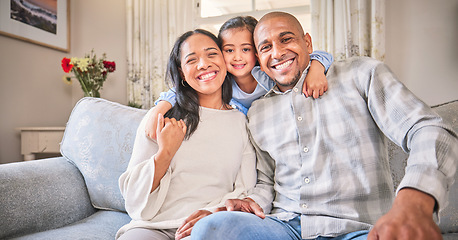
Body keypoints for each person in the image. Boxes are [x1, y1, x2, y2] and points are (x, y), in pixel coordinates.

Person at [190, 12, 458, 240]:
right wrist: (249, 204)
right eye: (265, 47)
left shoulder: (361, 74)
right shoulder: (258, 111)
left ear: (307, 42)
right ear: (259, 59)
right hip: (285, 227)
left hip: (357, 228)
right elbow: (265, 182)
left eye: (286, 39)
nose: (278, 52)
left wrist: (415, 200)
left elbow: (428, 129)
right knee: (210, 229)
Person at [116, 29, 257, 240]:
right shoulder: (161, 117)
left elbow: (245, 190)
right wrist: (165, 153)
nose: (203, 64)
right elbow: (133, 197)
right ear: (182, 72)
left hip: (209, 224)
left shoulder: (240, 121)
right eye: (192, 60)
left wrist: (213, 214)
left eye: (211, 54)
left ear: (225, 61)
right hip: (152, 227)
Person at [144, 16, 333, 140]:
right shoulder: (222, 82)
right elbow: (182, 89)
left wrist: (317, 68)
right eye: (229, 50)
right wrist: (160, 108)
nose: (237, 57)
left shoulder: (269, 75)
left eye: (246, 49)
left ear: (258, 52)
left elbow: (317, 55)